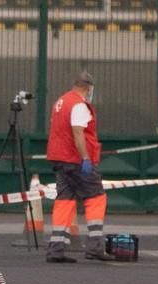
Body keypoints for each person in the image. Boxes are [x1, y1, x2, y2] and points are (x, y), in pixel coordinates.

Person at [45, 71, 114, 263]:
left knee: (65, 201)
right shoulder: (78, 105)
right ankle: (95, 247)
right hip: (75, 160)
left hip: (59, 158)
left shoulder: (61, 102)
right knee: (96, 198)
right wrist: (85, 158)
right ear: (88, 87)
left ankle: (56, 249)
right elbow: (78, 133)